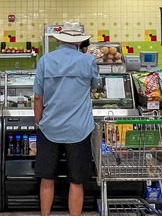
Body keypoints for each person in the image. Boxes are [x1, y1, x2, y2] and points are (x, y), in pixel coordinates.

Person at [34, 21, 100, 216]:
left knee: (47, 179)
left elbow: (38, 97)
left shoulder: (45, 60)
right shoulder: (88, 61)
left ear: (59, 40)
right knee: (76, 181)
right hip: (79, 128)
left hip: (50, 127)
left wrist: (38, 123)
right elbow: (94, 86)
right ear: (78, 43)